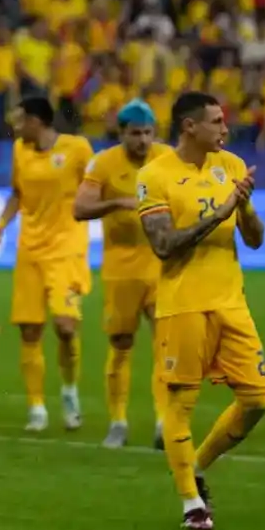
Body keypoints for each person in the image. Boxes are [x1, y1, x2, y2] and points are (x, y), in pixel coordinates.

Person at [137, 92, 265, 530]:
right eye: (216, 121)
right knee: (181, 403)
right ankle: (192, 503)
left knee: (257, 400)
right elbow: (163, 245)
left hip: (231, 302)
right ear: (190, 127)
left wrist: (244, 204)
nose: (225, 129)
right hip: (182, 306)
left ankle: (196, 465)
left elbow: (255, 240)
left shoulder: (229, 165)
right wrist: (222, 210)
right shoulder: (154, 176)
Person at [0, 97, 93, 432]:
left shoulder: (77, 149)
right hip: (30, 250)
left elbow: (94, 189)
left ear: (37, 121)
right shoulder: (20, 149)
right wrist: (0, 224)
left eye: (21, 121)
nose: (16, 128)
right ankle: (36, 407)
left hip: (67, 250)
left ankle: (69, 391)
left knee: (65, 326)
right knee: (30, 330)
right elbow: (17, 193)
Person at [73, 100, 173, 449]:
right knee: (121, 344)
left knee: (166, 344)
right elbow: (80, 208)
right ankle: (118, 421)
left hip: (161, 265)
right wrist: (117, 203)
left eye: (148, 133)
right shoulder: (104, 164)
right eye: (135, 134)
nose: (143, 140)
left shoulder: (169, 159)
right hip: (121, 269)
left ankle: (165, 421)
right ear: (121, 134)